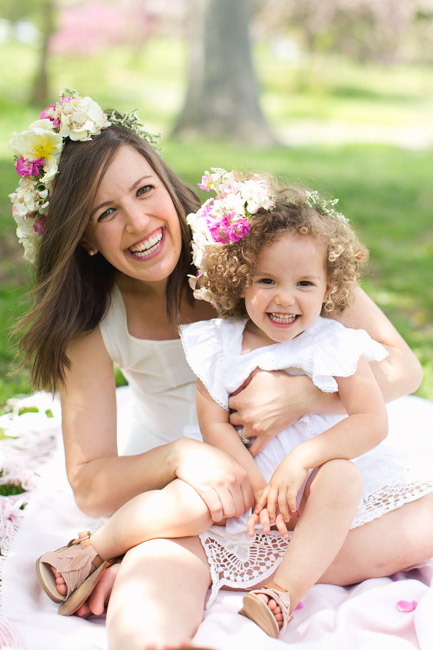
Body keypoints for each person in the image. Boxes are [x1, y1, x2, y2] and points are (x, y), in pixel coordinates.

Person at [9, 90, 433, 650]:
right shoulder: (93, 320)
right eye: (105, 213)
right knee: (165, 559)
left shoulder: (256, 250)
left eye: (144, 191)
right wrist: (185, 456)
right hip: (195, 488)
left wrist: (304, 397)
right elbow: (88, 482)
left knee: (396, 508)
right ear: (82, 236)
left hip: (314, 456)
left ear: (165, 181)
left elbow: (403, 366)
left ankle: (260, 575)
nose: (138, 223)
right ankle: (163, 614)